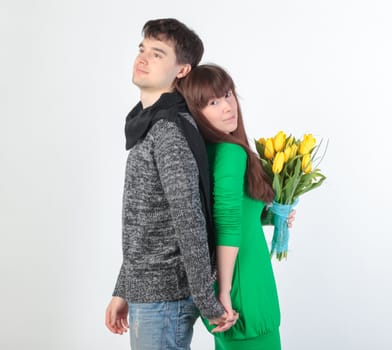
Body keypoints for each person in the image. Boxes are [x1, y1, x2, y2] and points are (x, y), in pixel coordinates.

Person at [105, 19, 237, 350]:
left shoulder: (168, 130)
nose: (143, 58)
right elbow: (146, 226)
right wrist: (124, 288)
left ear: (181, 70)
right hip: (149, 295)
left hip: (165, 299)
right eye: (143, 49)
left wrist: (206, 301)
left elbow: (189, 218)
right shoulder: (148, 125)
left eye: (158, 54)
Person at [177, 64, 295, 350]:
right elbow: (226, 220)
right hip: (244, 280)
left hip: (239, 278)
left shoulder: (212, 150)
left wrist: (269, 215)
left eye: (227, 95)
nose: (227, 107)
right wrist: (226, 292)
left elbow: (232, 210)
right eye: (212, 103)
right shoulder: (230, 151)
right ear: (196, 112)